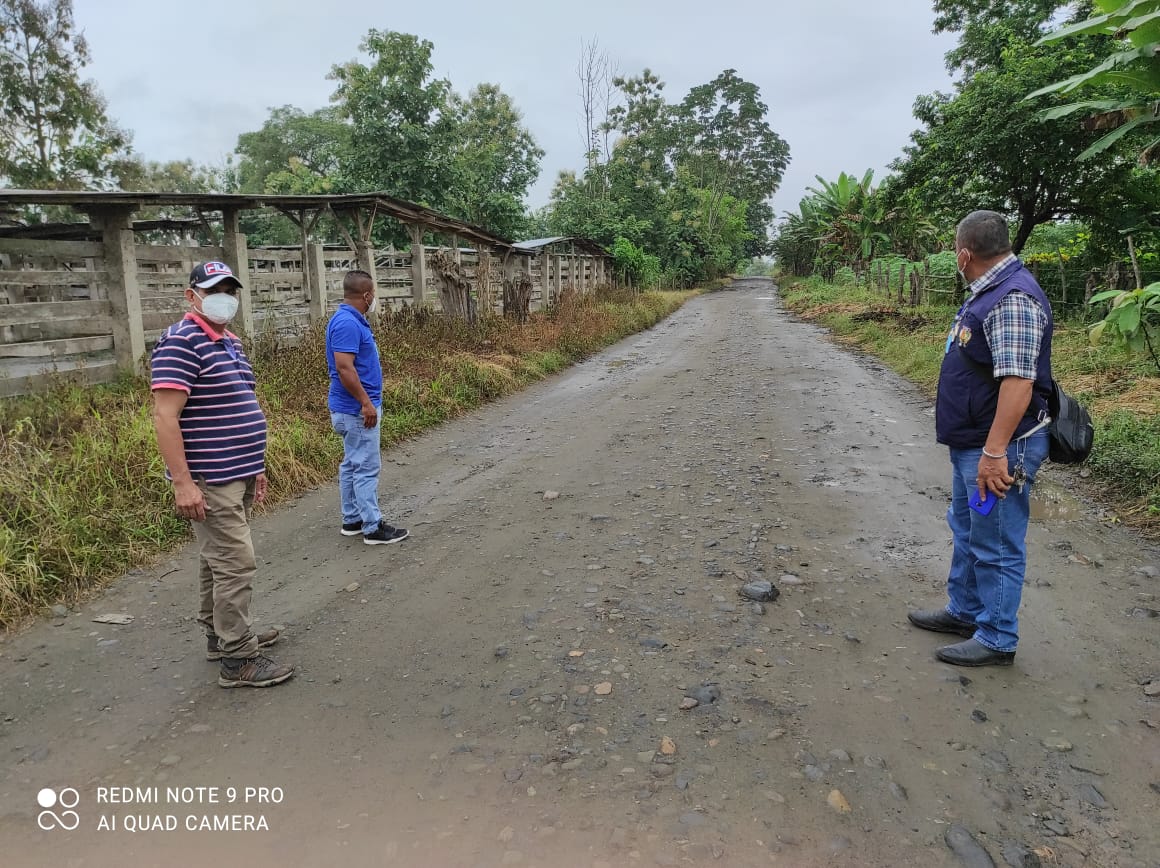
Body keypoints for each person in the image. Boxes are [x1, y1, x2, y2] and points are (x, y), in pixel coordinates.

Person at [908, 211, 1054, 667]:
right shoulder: (990, 293)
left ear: (964, 254)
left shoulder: (1012, 298)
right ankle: (966, 611)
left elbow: (1018, 384)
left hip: (999, 449)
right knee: (969, 528)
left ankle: (996, 637)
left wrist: (994, 453)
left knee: (997, 542)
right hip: (974, 442)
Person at [151, 261, 294, 688]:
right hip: (210, 477)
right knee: (235, 563)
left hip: (238, 471)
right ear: (191, 295)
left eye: (230, 290)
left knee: (218, 559)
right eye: (215, 290)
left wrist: (256, 466)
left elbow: (240, 403)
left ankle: (221, 635)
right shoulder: (181, 341)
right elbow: (165, 416)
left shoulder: (230, 341)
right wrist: (182, 483)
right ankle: (238, 659)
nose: (225, 298)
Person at [326, 271, 409, 545]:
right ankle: (372, 527)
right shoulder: (347, 323)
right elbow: (344, 368)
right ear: (366, 295)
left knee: (352, 463)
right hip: (356, 410)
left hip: (352, 409)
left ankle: (352, 520)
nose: (374, 299)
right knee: (365, 467)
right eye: (373, 294)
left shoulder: (350, 320)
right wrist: (365, 402)